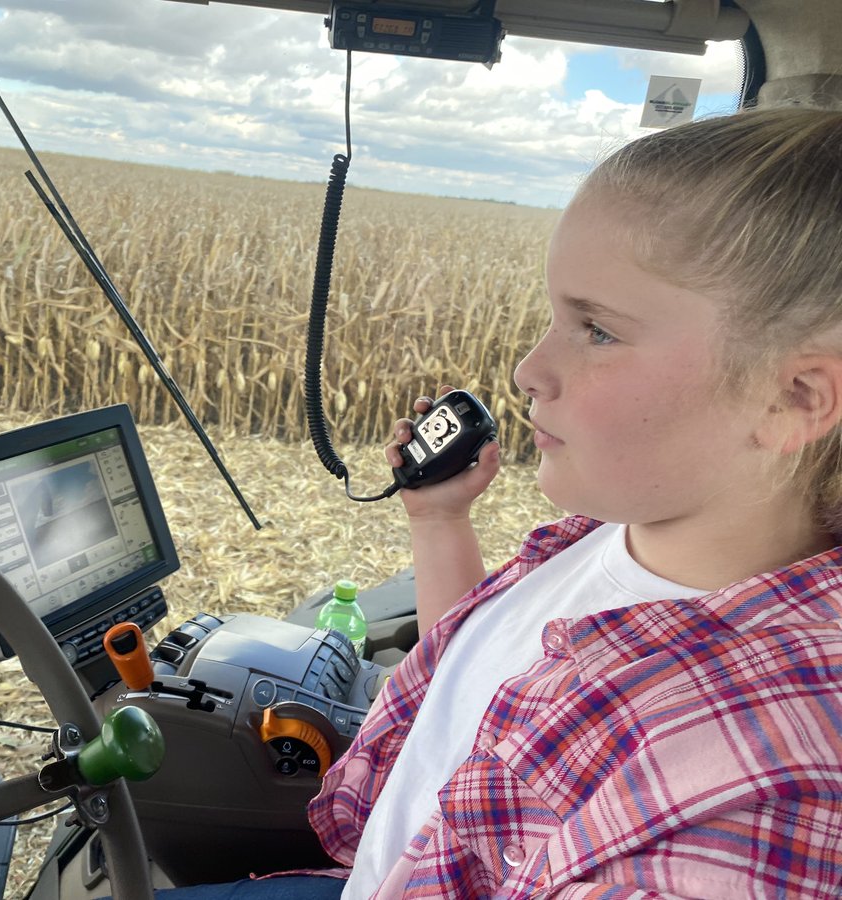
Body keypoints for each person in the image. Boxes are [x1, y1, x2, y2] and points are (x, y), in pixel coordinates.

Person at [153, 106, 842, 898]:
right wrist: (440, 520)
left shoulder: (751, 788)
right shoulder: (614, 534)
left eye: (598, 331)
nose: (527, 370)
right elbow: (480, 684)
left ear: (792, 399)